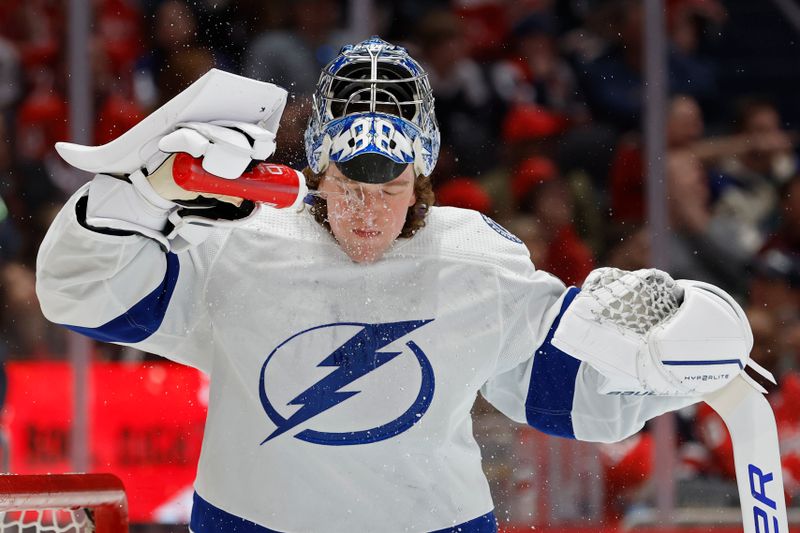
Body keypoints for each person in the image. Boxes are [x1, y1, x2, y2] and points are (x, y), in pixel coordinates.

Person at [36, 38, 755, 532]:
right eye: (349, 182)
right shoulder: (239, 245)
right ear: (318, 165)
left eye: (391, 185)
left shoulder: (476, 257)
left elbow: (566, 398)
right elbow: (78, 290)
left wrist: (669, 358)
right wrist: (137, 194)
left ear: (425, 173)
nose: (365, 209)